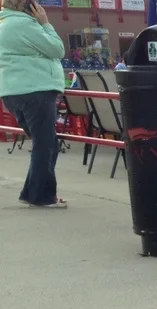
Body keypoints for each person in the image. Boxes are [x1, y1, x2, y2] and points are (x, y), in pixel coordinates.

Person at [0, 0, 67, 208]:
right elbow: (57, 49)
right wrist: (45, 23)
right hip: (35, 90)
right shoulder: (24, 25)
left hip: (13, 92)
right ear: (27, 7)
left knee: (46, 143)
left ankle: (32, 191)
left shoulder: (4, 24)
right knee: (45, 144)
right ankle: (42, 196)